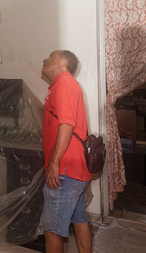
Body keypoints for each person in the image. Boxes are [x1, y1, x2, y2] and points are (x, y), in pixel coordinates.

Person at [39, 50, 92, 253]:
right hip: (73, 170)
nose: (45, 58)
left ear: (62, 62)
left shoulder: (65, 83)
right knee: (79, 220)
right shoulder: (61, 85)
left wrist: (54, 163)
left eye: (50, 55)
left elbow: (67, 124)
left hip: (65, 171)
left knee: (51, 230)